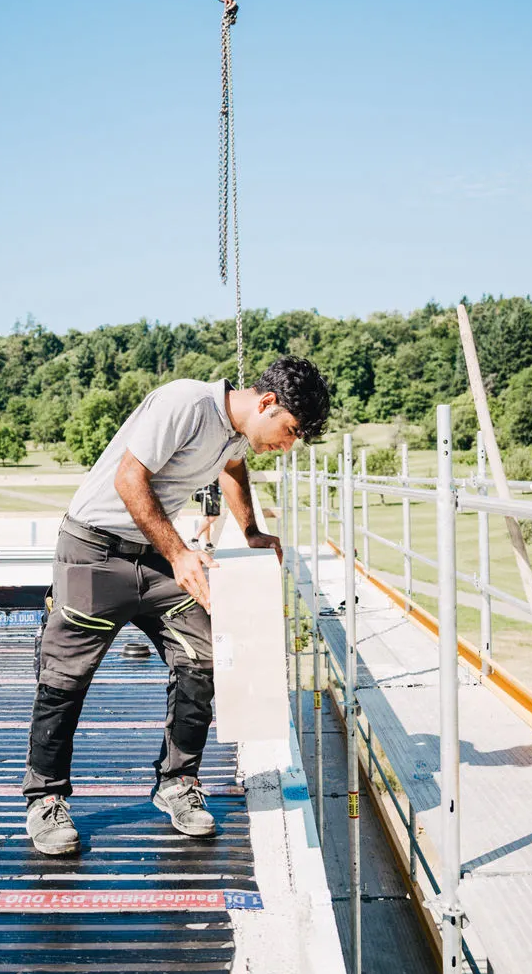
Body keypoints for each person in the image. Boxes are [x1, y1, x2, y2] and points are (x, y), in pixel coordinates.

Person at [23, 356, 330, 855]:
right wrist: (180, 553)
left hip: (155, 554)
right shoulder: (185, 402)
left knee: (205, 654)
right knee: (64, 677)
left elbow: (232, 466)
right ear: (267, 403)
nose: (288, 444)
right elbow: (129, 479)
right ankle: (45, 798)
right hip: (95, 552)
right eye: (290, 430)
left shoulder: (235, 432)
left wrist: (249, 529)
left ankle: (177, 783)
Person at [190, 479, 222, 552]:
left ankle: (208, 544)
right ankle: (194, 539)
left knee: (207, 517)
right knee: (212, 516)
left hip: (210, 486)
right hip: (208, 487)